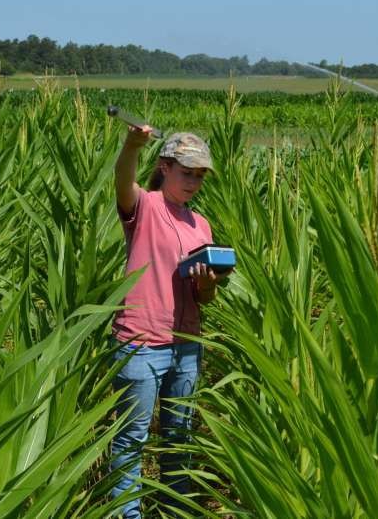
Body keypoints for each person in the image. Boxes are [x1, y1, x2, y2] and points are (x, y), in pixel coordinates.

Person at [109, 126, 227, 518]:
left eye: (199, 175)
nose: (193, 181)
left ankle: (174, 510)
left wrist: (208, 284)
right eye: (186, 172)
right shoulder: (145, 207)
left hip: (186, 345)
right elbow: (123, 182)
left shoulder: (202, 225)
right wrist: (131, 146)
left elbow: (204, 298)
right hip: (141, 343)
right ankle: (128, 514)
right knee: (132, 440)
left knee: (180, 439)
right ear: (165, 167)